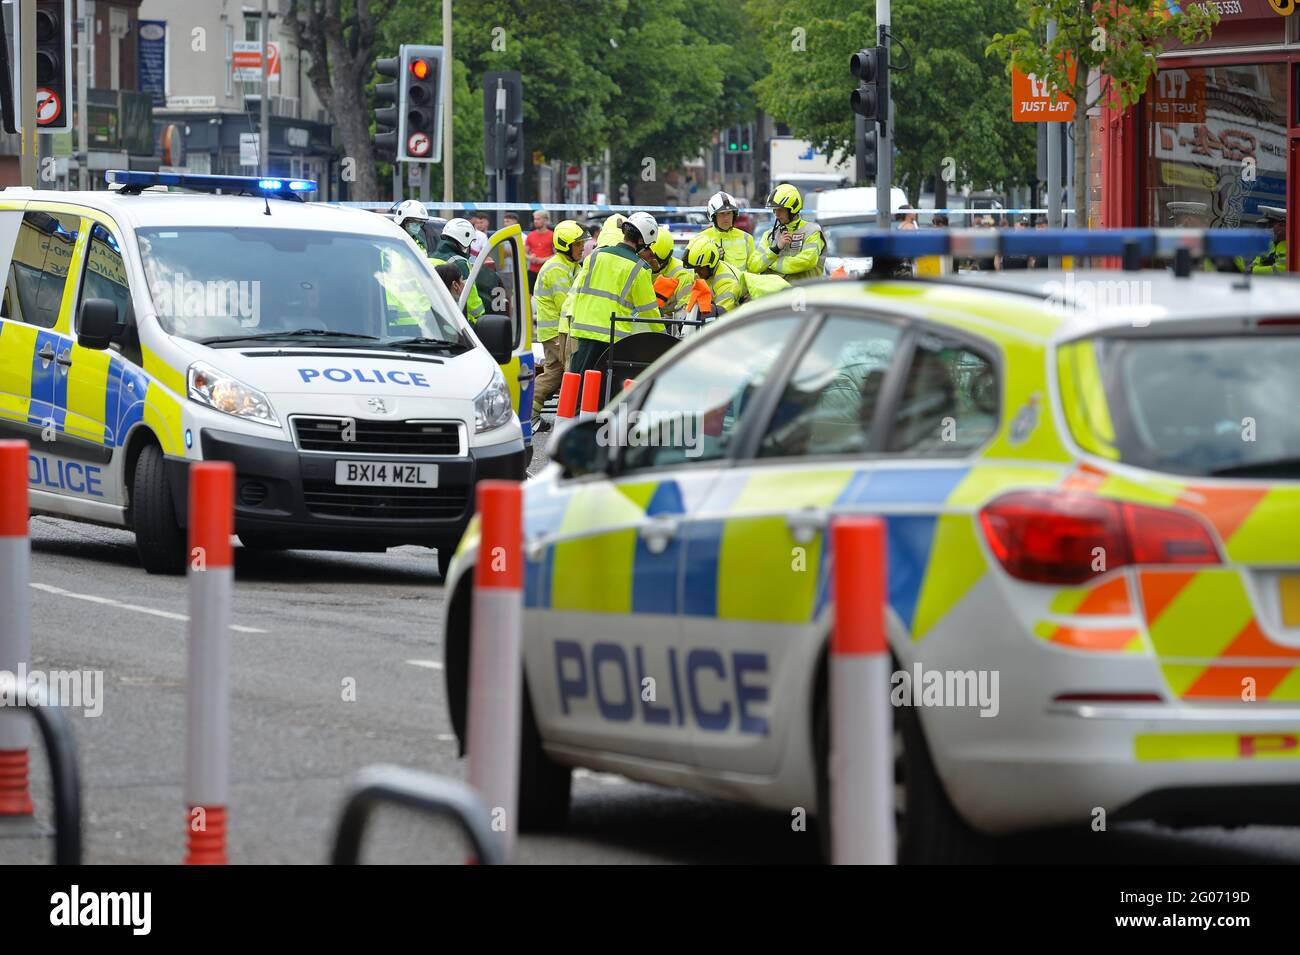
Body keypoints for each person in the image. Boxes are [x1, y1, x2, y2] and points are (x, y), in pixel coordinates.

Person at [566, 211, 663, 378]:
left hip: (582, 329)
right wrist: (663, 338)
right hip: (611, 336)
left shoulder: (595, 255)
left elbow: (581, 290)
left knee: (577, 383)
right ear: (642, 241)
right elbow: (649, 311)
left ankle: (571, 405)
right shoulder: (640, 268)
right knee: (604, 390)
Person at [530, 219, 586, 431]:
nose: (582, 248)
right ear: (566, 245)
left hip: (559, 330)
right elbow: (567, 303)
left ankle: (529, 413)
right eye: (578, 244)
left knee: (554, 373)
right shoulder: (556, 268)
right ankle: (569, 418)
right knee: (571, 371)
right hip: (556, 331)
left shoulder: (570, 265)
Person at [748, 183, 825, 282]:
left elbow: (807, 261)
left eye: (780, 210)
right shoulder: (769, 235)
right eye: (774, 210)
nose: (776, 214)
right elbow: (753, 266)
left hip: (806, 294)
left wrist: (771, 264)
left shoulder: (812, 231)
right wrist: (775, 249)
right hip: (777, 295)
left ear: (793, 209)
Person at [429, 217, 485, 322]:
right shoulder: (459, 262)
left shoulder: (431, 258)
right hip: (459, 321)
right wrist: (480, 319)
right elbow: (470, 297)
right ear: (465, 239)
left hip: (435, 318)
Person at [685, 234, 745, 318]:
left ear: (711, 263)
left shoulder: (726, 282)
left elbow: (721, 317)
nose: (696, 271)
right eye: (695, 268)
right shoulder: (705, 274)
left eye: (699, 268)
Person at [699, 191, 755, 271]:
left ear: (734, 215)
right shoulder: (701, 239)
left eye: (729, 213)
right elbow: (696, 274)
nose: (726, 218)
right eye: (722, 214)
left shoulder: (747, 238)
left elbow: (753, 270)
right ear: (713, 216)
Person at [646, 227, 694, 320]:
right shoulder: (640, 266)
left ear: (666, 260)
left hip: (670, 326)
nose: (650, 264)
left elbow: (685, 310)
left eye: (655, 261)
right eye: (649, 258)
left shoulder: (681, 274)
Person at [1249, 205, 1287, 273]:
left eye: (1270, 226)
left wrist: (1255, 270)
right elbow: (1254, 263)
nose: (1266, 229)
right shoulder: (1269, 243)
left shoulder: (1294, 248)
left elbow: (1281, 270)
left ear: (1282, 225)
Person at [525, 210, 554, 293]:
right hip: (533, 271)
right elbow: (524, 253)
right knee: (530, 295)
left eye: (538, 219)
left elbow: (557, 254)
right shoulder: (530, 235)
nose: (535, 221)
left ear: (545, 220)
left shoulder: (552, 235)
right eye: (534, 219)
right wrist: (530, 257)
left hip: (547, 271)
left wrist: (543, 260)